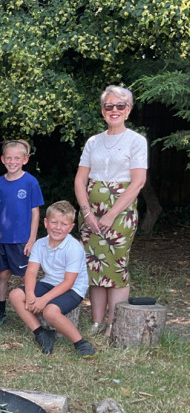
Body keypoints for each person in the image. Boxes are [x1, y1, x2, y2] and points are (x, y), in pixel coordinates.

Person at [74, 85, 148, 337]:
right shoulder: (93, 141)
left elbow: (137, 182)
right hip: (90, 213)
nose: (114, 110)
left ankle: (113, 323)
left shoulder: (136, 141)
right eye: (109, 106)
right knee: (94, 266)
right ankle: (96, 321)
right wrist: (86, 213)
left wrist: (110, 214)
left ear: (128, 110)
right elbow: (80, 180)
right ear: (103, 110)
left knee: (115, 266)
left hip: (120, 214)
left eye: (120, 106)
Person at [9, 201, 95, 358]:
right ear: (46, 222)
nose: (57, 228)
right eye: (54, 222)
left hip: (73, 288)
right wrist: (29, 294)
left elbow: (69, 282)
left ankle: (80, 342)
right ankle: (41, 333)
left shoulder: (74, 248)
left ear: (71, 227)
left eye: (63, 224)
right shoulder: (40, 244)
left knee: (50, 312)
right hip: (49, 282)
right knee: (15, 295)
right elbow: (31, 272)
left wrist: (44, 300)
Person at [0, 139, 44, 324]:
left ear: (25, 160)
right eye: (9, 158)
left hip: (22, 239)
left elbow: (35, 213)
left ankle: (33, 308)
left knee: (26, 276)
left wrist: (31, 240)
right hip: (2, 239)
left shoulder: (30, 182)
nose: (12, 161)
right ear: (3, 159)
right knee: (3, 274)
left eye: (17, 158)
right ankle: (1, 311)